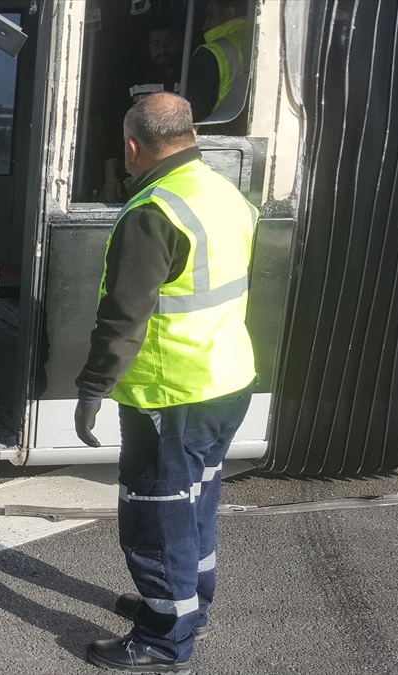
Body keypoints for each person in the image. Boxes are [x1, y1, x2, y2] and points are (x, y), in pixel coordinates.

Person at [74, 93, 257, 675]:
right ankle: (188, 606)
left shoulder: (155, 211)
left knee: (155, 515)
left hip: (168, 393)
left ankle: (163, 636)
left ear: (133, 145)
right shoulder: (223, 193)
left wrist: (92, 388)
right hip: (226, 380)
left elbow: (123, 316)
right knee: (196, 502)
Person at [102, 22, 185, 202]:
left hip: (180, 173)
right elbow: (115, 129)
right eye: (155, 44)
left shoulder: (190, 77)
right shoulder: (134, 80)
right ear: (147, 47)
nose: (162, 49)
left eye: (169, 41)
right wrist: (110, 177)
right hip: (138, 174)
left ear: (181, 42)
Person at [187, 0, 251, 127]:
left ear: (229, 14)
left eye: (210, 15)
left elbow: (195, 116)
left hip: (216, 136)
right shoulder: (267, 43)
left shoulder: (211, 52)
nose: (204, 26)